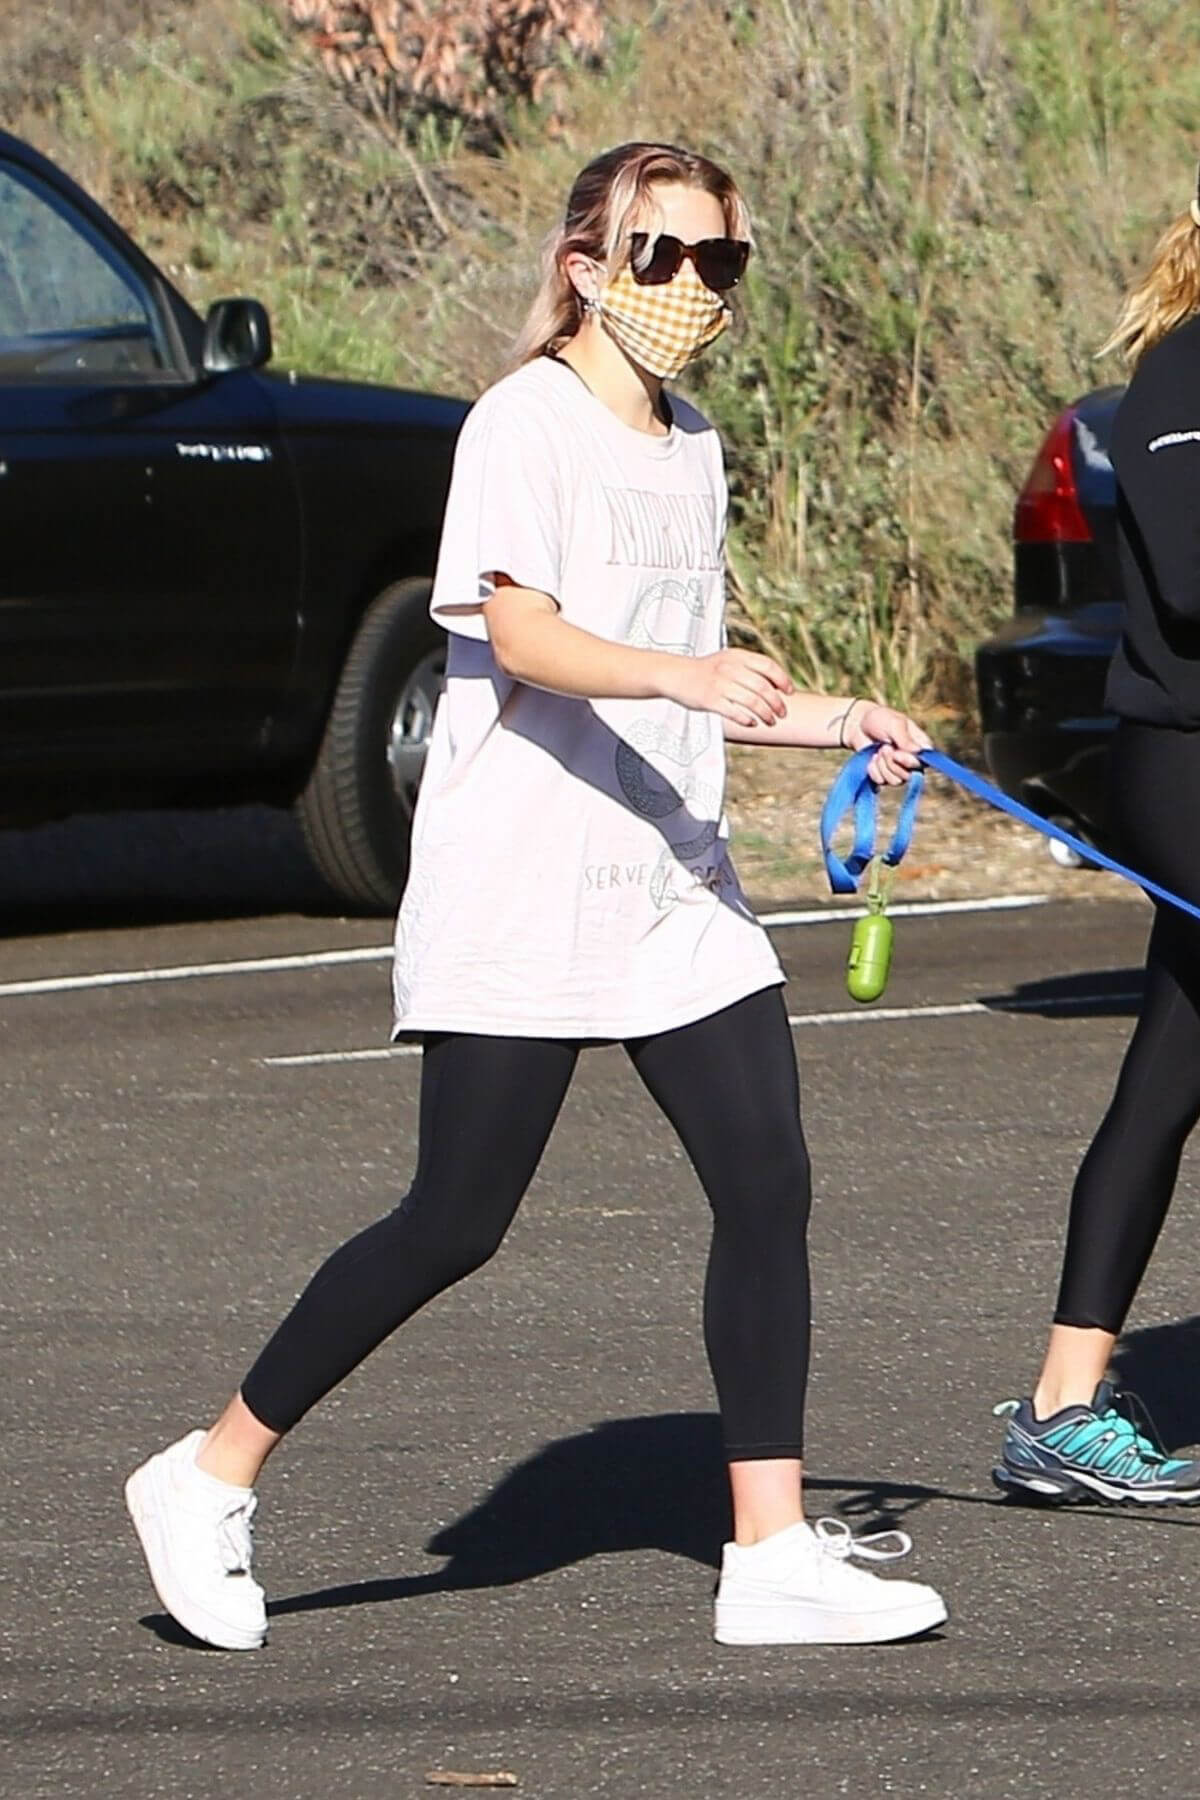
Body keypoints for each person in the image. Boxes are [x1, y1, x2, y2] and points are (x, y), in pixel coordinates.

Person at [125, 141, 947, 1648]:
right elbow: (526, 637)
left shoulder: (689, 444)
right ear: (586, 265)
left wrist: (841, 719)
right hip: (526, 879)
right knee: (456, 1217)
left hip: (670, 880)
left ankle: (767, 1550)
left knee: (767, 1181)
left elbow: (690, 676)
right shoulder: (522, 425)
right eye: (660, 256)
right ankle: (206, 1470)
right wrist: (686, 675)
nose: (690, 288)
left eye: (720, 262)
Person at [994, 168, 1200, 1505]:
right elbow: (1189, 576)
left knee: (1171, 1070)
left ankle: (1064, 1404)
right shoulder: (1184, 375)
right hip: (1186, 764)